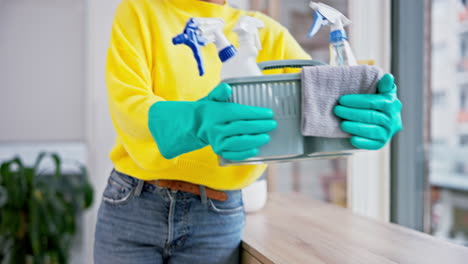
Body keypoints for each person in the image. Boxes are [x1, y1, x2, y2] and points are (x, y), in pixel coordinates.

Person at [94, 0, 403, 263]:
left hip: (215, 216)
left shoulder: (264, 32)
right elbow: (128, 106)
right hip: (133, 204)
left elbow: (320, 97)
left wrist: (368, 105)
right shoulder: (140, 11)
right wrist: (196, 120)